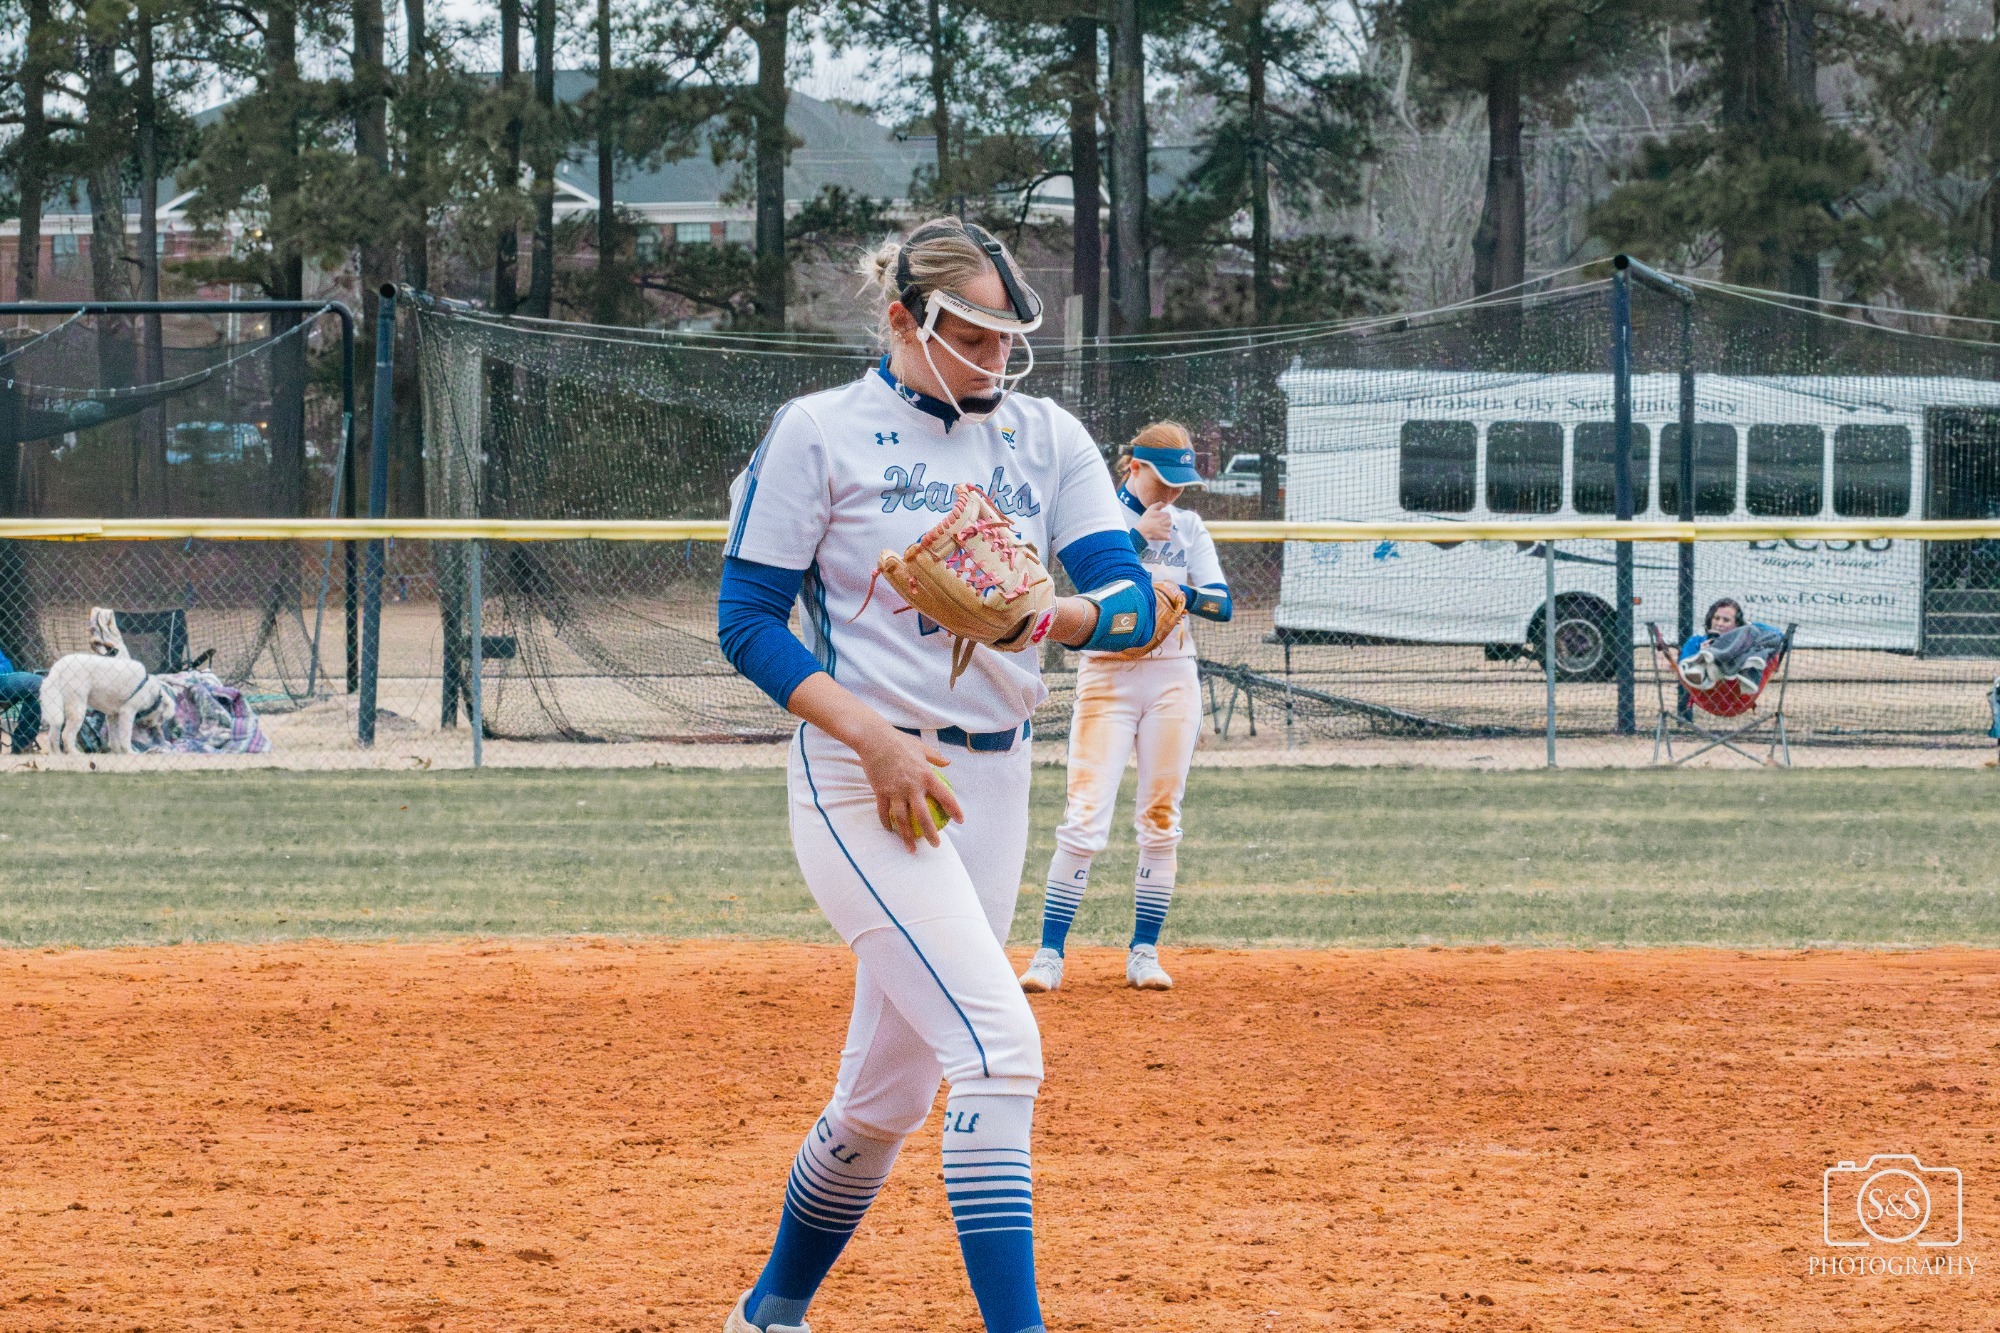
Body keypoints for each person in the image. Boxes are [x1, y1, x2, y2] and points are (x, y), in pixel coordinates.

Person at [713, 217, 1158, 1333]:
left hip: (994, 782)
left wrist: (1059, 615)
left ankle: (769, 1313)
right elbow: (747, 623)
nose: (995, 358)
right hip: (864, 776)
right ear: (903, 319)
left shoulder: (1045, 437)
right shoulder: (820, 432)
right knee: (999, 1053)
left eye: (1009, 336)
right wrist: (868, 735)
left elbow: (1133, 595)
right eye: (970, 333)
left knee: (888, 1097)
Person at [1018, 422, 1232, 994]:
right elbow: (1077, 582)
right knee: (1084, 819)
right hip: (1107, 678)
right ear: (1133, 468)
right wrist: (1136, 536)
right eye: (1163, 480)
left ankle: (1143, 952)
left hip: (1172, 678)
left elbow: (1222, 603)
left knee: (1161, 821)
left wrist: (1180, 596)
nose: (1172, 495)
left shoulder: (1188, 526)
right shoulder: (1100, 515)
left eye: (1181, 484)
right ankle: (1048, 955)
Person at [1662, 597, 1786, 695]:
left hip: (1736, 695)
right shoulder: (1696, 641)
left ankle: (1713, 657)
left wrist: (1747, 626)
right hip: (1707, 692)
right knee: (1696, 660)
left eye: (1726, 620)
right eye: (1716, 618)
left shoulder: (1745, 638)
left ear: (1737, 624)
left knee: (1762, 636)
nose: (1719, 624)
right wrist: (1699, 653)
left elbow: (1778, 634)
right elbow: (1684, 667)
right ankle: (1705, 658)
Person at [0, 639, 44, 754]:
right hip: (8, 683)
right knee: (38, 687)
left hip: (8, 681)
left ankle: (22, 743)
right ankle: (22, 743)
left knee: (37, 691)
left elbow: (6, 666)